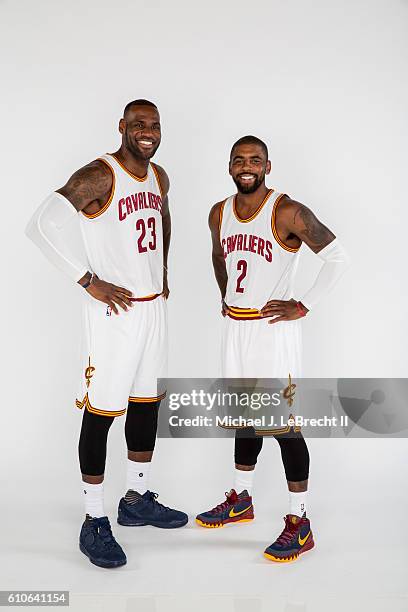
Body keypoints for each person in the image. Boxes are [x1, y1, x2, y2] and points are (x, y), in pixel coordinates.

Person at [25, 99, 188, 569]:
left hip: (152, 307)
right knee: (102, 413)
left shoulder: (160, 177)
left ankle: (136, 499)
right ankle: (93, 519)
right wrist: (87, 280)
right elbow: (40, 225)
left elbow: (162, 217)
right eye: (138, 124)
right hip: (114, 314)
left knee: (145, 404)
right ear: (121, 127)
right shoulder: (99, 175)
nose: (147, 132)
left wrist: (162, 269)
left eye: (154, 125)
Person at [196, 135, 350, 563]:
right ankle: (241, 500)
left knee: (284, 426)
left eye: (255, 160)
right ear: (229, 166)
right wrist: (226, 297)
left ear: (268, 166)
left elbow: (337, 256)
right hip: (236, 327)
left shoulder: (287, 210)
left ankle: (300, 522)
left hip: (272, 330)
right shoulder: (219, 212)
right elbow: (217, 256)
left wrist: (304, 304)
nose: (247, 166)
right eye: (239, 160)